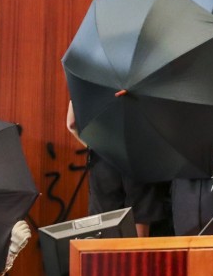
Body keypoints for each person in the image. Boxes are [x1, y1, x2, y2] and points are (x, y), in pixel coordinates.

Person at [66, 101, 172, 238]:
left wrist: (95, 146)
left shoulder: (93, 80)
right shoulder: (145, 80)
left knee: (103, 231)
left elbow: (72, 123)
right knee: (139, 234)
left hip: (103, 157)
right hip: (142, 155)